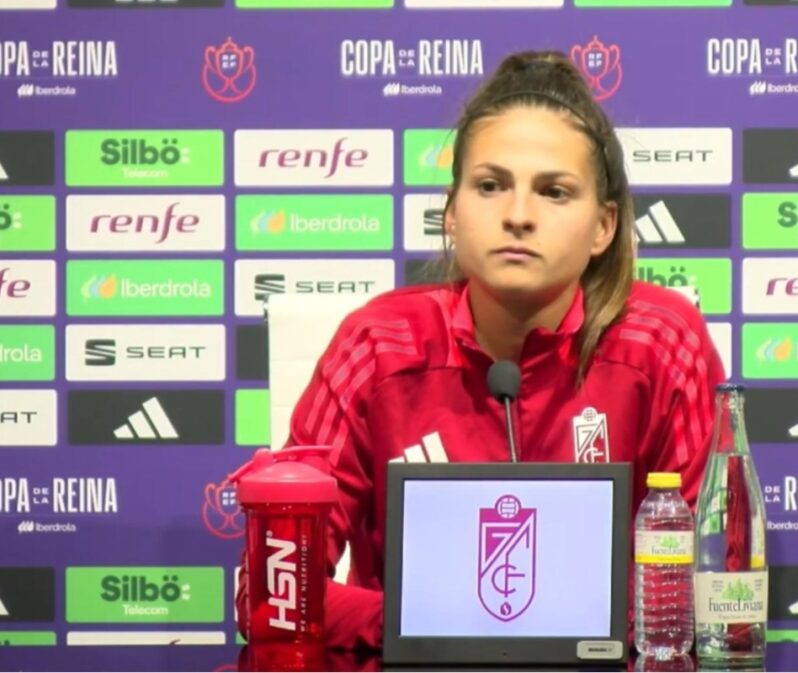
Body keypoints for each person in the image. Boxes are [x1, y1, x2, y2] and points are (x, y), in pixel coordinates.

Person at [237, 50, 725, 650]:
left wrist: (560, 634)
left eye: (554, 192)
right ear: (451, 213)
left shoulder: (660, 339)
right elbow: (273, 597)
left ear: (604, 227)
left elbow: (714, 582)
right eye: (490, 186)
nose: (518, 216)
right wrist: (428, 631)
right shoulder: (377, 345)